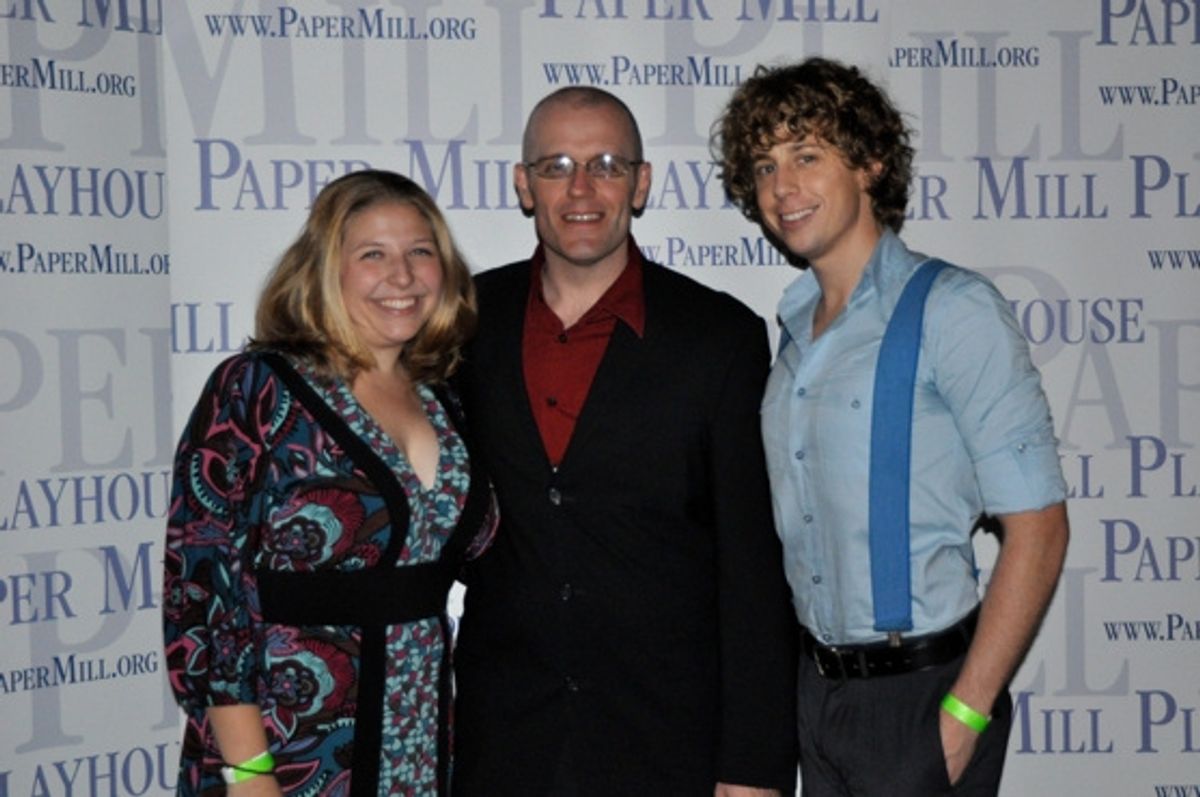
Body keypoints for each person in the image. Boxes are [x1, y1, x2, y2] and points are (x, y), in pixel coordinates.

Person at [713, 58, 1070, 795]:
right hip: (816, 690)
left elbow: (1039, 528)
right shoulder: (792, 335)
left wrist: (961, 719)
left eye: (807, 155)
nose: (782, 187)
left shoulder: (953, 309)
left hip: (923, 692)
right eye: (765, 165)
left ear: (870, 162)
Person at [451, 87, 798, 796]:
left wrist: (754, 763)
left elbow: (754, 569)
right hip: (504, 745)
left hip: (668, 744)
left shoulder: (719, 338)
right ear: (524, 185)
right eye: (555, 165)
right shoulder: (460, 328)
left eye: (606, 164)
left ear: (641, 184)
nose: (581, 188)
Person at [162, 169, 497, 797]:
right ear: (326, 268)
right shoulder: (257, 389)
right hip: (288, 749)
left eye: (420, 253)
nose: (401, 276)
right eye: (373, 254)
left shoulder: (445, 398)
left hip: (423, 742)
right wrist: (250, 772)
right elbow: (205, 591)